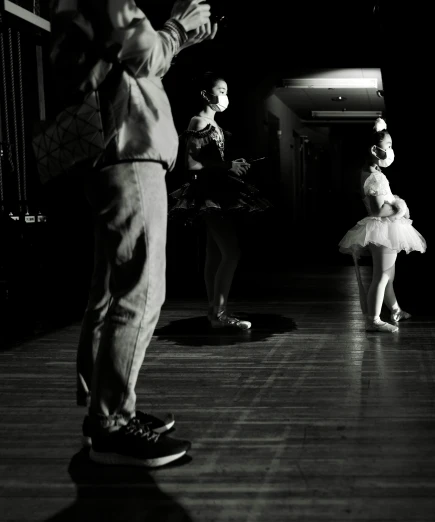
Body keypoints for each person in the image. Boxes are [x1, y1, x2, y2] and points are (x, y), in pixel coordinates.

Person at [67, 0, 216, 467]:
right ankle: (111, 422)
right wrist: (178, 25)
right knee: (142, 289)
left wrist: (182, 36)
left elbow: (136, 64)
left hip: (108, 155)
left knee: (109, 290)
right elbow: (146, 54)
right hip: (131, 154)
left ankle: (104, 408)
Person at [169, 72, 272, 330]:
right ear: (206, 94)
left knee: (215, 254)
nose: (225, 96)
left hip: (217, 193)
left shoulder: (212, 124)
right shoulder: (198, 121)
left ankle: (216, 312)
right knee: (231, 252)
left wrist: (232, 166)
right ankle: (219, 314)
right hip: (208, 196)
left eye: (226, 90)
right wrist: (228, 166)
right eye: (221, 90)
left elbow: (209, 161)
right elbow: (191, 164)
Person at [338, 118, 426, 333]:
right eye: (388, 146)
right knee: (382, 276)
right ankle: (373, 319)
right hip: (383, 228)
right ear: (375, 149)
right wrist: (400, 209)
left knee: (388, 275)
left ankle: (395, 309)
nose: (391, 150)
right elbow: (378, 210)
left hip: (385, 228)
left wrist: (396, 205)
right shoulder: (374, 176)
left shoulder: (372, 173)